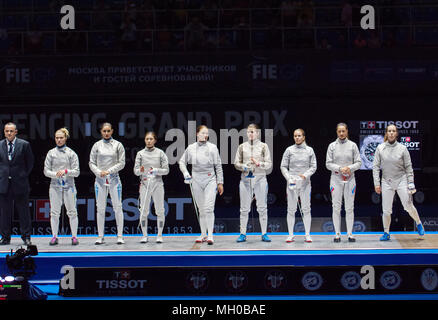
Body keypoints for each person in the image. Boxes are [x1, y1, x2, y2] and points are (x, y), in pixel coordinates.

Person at [372, 124, 425, 241]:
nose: (391, 133)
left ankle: (419, 223)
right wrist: (376, 183)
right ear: (386, 133)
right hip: (386, 181)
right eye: (389, 131)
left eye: (393, 131)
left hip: (402, 179)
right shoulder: (380, 148)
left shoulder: (402, 148)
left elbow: (408, 166)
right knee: (386, 210)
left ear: (396, 134)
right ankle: (386, 233)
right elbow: (375, 167)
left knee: (408, 206)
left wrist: (411, 182)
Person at [178, 125, 224, 245]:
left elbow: (218, 166)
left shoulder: (212, 148)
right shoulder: (191, 148)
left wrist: (220, 183)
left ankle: (210, 235)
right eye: (203, 133)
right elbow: (182, 162)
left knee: (209, 208)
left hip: (210, 180)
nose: (205, 135)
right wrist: (186, 173)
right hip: (196, 181)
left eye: (207, 133)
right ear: (197, 134)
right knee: (201, 209)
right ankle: (203, 234)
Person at [234, 123, 272, 242]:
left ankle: (264, 233)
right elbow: (236, 163)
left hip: (260, 178)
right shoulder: (242, 147)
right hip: (245, 180)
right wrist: (244, 167)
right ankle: (243, 234)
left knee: (262, 207)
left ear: (257, 133)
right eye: (249, 131)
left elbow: (269, 164)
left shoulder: (263, 146)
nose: (250, 133)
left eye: (253, 131)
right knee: (244, 208)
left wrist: (259, 164)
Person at [89, 123, 126, 245]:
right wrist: (100, 172)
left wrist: (108, 171)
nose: (106, 133)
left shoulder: (118, 145)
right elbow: (91, 163)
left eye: (108, 131)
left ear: (112, 131)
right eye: (104, 131)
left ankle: (120, 236)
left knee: (118, 207)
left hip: (114, 180)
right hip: (100, 181)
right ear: (101, 131)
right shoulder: (96, 145)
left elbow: (122, 163)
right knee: (100, 209)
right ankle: (100, 236)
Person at [326, 123, 361, 242]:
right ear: (337, 132)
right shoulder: (332, 146)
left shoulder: (353, 145)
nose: (341, 133)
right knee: (336, 207)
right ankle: (337, 234)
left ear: (347, 131)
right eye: (339, 131)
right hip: (336, 179)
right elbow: (328, 163)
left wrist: (349, 168)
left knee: (349, 207)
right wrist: (340, 168)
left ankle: (350, 234)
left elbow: (359, 162)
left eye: (343, 131)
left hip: (350, 179)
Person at [43, 128, 80, 245]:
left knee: (72, 212)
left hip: (69, 185)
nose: (59, 140)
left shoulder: (71, 153)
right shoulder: (51, 153)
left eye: (61, 138)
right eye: (57, 138)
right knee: (54, 212)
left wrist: (65, 171)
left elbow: (77, 172)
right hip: (55, 186)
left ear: (65, 138)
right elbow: (46, 171)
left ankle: (74, 237)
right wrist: (56, 174)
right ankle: (54, 236)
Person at [0, 122, 34, 245]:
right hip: (4, 184)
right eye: (6, 131)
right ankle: (5, 237)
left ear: (16, 132)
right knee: (4, 213)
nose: (9, 133)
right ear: (4, 132)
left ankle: (26, 237)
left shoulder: (24, 145)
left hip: (20, 183)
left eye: (11, 131)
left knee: (24, 212)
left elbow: (30, 163)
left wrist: (22, 175)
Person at [280, 129, 316, 243]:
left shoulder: (310, 150)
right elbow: (283, 166)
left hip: (305, 183)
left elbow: (313, 166)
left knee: (306, 209)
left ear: (304, 137)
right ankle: (290, 234)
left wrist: (305, 175)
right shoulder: (289, 150)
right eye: (295, 136)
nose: (297, 138)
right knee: (291, 209)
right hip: (292, 183)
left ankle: (307, 234)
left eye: (299, 136)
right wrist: (289, 177)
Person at [134, 132, 169, 243]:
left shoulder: (160, 153)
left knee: (160, 210)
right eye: (147, 139)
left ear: (155, 140)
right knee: (143, 210)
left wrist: (156, 170)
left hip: (157, 183)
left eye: (151, 139)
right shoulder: (140, 154)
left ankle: (159, 235)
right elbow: (135, 171)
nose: (148, 141)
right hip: (144, 184)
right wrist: (141, 171)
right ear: (145, 140)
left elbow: (166, 170)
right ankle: (145, 235)